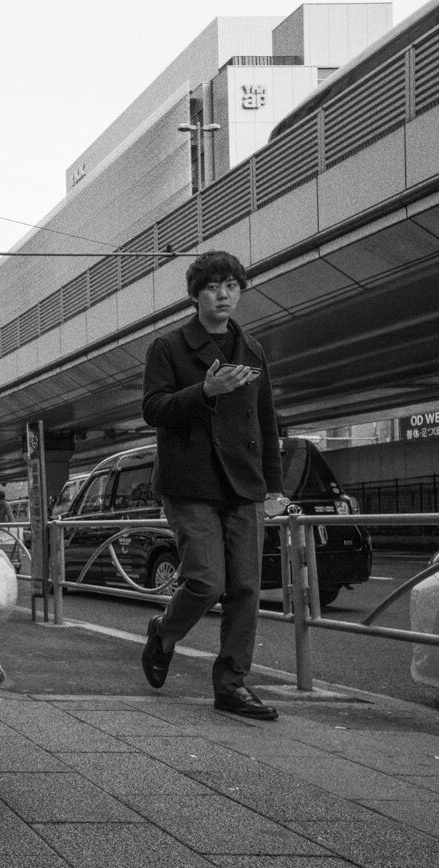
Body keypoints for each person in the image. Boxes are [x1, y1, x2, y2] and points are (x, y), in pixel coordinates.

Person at [140, 250, 286, 721]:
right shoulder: (169, 347)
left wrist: (275, 486)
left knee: (245, 587)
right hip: (190, 481)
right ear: (196, 295)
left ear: (241, 291)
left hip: (244, 482)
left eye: (232, 286)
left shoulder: (253, 349)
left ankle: (232, 684)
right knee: (206, 581)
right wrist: (206, 392)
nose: (223, 295)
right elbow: (153, 409)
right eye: (212, 287)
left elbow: (266, 421)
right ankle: (164, 632)